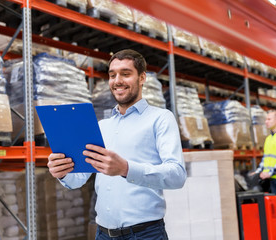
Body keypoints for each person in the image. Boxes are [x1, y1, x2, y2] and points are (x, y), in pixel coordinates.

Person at [47, 49, 187, 240]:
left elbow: (177, 175)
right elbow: (79, 178)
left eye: (126, 74)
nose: (117, 80)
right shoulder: (102, 126)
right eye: (112, 75)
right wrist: (63, 172)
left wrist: (126, 169)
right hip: (103, 234)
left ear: (142, 78)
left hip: (145, 234)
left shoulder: (160, 118)